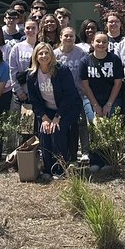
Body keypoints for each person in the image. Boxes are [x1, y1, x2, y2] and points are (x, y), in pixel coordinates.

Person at [25, 42, 80, 179]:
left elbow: (70, 96)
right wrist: (44, 118)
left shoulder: (62, 70)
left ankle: (60, 168)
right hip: (47, 110)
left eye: (47, 53)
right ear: (35, 56)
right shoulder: (32, 75)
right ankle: (48, 169)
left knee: (57, 131)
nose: (44, 56)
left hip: (67, 109)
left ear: (51, 55)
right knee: (44, 132)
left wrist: (57, 117)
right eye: (40, 53)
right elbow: (34, 100)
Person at [80, 32, 125, 171]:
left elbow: (118, 83)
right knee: (95, 126)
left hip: (111, 98)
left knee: (109, 127)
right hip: (91, 99)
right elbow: (85, 85)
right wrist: (95, 105)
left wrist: (108, 104)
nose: (101, 44)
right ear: (92, 43)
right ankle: (95, 160)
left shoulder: (115, 60)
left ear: (108, 44)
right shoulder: (85, 61)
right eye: (98, 41)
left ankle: (108, 160)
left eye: (104, 42)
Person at [55, 26, 88, 161]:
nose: (68, 38)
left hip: (78, 95)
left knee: (80, 124)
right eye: (66, 36)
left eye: (71, 36)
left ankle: (84, 152)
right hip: (60, 97)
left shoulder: (81, 53)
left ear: (75, 38)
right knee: (62, 125)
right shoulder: (54, 54)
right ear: (60, 37)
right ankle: (63, 154)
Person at [7, 18, 38, 116]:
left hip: (37, 94)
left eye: (33, 28)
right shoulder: (17, 48)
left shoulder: (41, 47)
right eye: (28, 28)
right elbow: (12, 71)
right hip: (19, 94)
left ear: (38, 29)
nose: (30, 30)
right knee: (15, 123)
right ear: (24, 30)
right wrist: (19, 91)